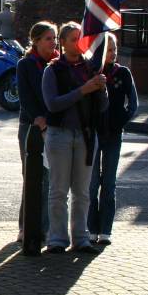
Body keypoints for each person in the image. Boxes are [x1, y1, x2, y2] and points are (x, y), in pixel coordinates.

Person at [41, 22, 108, 254]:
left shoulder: (91, 69)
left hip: (86, 135)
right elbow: (53, 104)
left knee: (82, 191)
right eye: (73, 39)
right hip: (59, 133)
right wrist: (84, 90)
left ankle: (81, 238)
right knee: (58, 190)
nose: (78, 44)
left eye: (81, 39)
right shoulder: (53, 70)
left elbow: (102, 107)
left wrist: (101, 89)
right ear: (63, 42)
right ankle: (57, 239)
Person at [87, 32, 139, 247]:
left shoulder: (123, 73)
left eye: (114, 49)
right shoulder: (91, 73)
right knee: (91, 185)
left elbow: (133, 103)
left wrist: (122, 119)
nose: (113, 53)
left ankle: (106, 230)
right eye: (108, 49)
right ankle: (91, 228)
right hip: (93, 135)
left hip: (113, 135)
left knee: (109, 184)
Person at [16, 21, 57, 251]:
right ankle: (26, 227)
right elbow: (26, 96)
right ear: (36, 41)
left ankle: (44, 228)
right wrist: (38, 119)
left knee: (49, 178)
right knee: (31, 176)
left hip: (54, 126)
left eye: (54, 38)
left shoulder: (58, 63)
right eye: (48, 38)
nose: (53, 43)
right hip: (31, 127)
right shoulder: (26, 64)